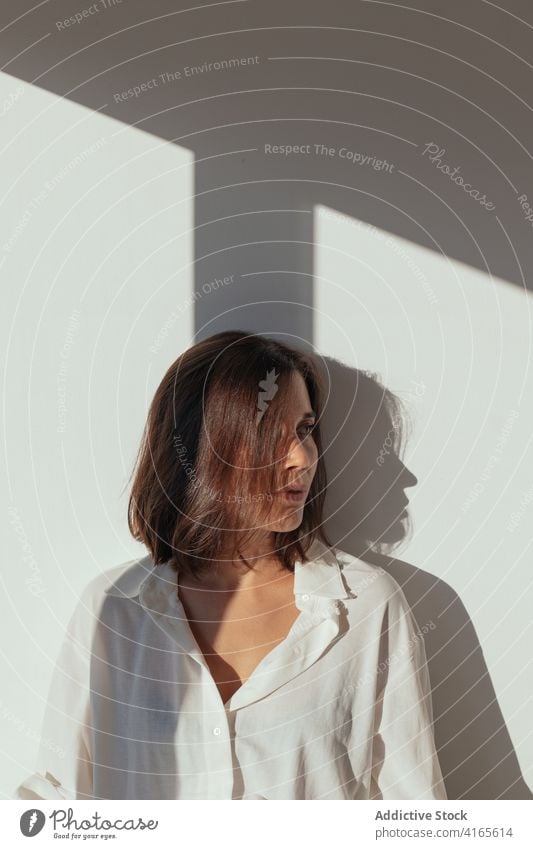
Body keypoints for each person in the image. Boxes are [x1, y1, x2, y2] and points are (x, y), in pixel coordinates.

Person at [15, 330, 446, 800]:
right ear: (199, 451)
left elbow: (415, 813)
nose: (302, 458)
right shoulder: (114, 611)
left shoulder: (367, 607)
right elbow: (60, 805)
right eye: (270, 435)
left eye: (304, 429)